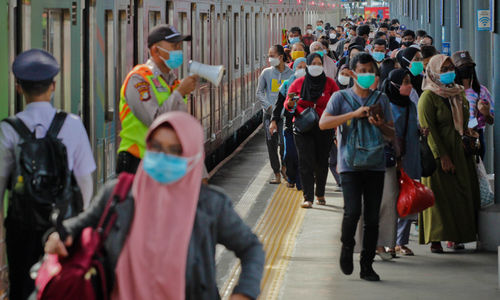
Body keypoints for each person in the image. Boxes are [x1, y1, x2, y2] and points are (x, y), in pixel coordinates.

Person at [44, 111, 265, 300]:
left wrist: (244, 292)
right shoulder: (118, 195)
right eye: (156, 147)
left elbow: (251, 248)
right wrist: (58, 237)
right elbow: (76, 226)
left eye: (175, 150)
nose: (163, 156)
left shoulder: (210, 205)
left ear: (193, 155)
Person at [0, 49, 96, 299]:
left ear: (19, 88)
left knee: (23, 288)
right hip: (64, 226)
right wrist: (77, 222)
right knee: (64, 286)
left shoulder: (8, 130)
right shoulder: (72, 124)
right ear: (53, 85)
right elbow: (85, 180)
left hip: (22, 229)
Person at [319, 52, 394, 281]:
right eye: (362, 71)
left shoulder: (381, 99)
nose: (366, 75)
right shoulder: (340, 98)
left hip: (375, 165)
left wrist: (380, 125)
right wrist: (353, 114)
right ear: (352, 73)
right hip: (349, 164)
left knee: (372, 218)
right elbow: (323, 123)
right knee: (352, 212)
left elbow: (392, 134)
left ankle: (367, 265)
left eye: (370, 71)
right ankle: (346, 246)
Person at [417, 54, 480, 253]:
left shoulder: (458, 93)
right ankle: (436, 238)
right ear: (434, 72)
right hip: (439, 154)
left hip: (460, 151)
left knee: (461, 193)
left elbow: (464, 119)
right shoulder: (428, 97)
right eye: (444, 70)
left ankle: (457, 236)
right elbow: (429, 129)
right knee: (438, 196)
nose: (449, 73)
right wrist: (441, 156)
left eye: (451, 68)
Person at [116, 25, 198, 174]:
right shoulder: (139, 79)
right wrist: (179, 93)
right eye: (174, 46)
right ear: (155, 50)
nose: (179, 51)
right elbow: (155, 121)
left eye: (180, 46)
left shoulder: (172, 82)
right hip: (137, 162)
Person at [284, 53, 339, 208]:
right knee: (305, 161)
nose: (316, 66)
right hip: (303, 127)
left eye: (319, 63)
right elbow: (290, 104)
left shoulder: (330, 84)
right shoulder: (298, 83)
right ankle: (308, 197)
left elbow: (337, 103)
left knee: (322, 162)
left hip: (324, 127)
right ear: (307, 65)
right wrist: (291, 105)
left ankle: (320, 192)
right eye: (313, 63)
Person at [382, 69, 421, 256]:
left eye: (409, 82)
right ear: (394, 85)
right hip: (393, 162)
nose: (409, 85)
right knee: (391, 202)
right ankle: (389, 242)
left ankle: (401, 242)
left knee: (409, 200)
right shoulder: (387, 106)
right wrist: (397, 160)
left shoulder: (411, 106)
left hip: (411, 159)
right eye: (405, 82)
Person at [256, 45, 294, 184]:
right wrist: (269, 106)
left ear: (280, 57)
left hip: (285, 116)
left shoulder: (291, 74)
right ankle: (276, 173)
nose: (269, 59)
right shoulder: (266, 73)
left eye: (272, 56)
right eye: (269, 56)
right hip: (269, 116)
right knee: (271, 144)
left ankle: (284, 166)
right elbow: (259, 92)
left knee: (285, 145)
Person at [271, 57, 307, 190]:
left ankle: (300, 183)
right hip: (289, 124)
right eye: (299, 67)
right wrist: (274, 120)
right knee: (289, 154)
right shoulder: (287, 84)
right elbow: (279, 104)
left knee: (301, 155)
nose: (302, 70)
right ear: (294, 69)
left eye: (304, 67)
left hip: (305, 125)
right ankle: (291, 177)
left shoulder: (309, 84)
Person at [452, 50, 494, 160]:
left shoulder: (481, 91)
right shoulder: (451, 91)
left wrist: (486, 114)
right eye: (463, 66)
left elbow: (492, 120)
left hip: (476, 137)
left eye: (469, 66)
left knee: (477, 172)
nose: (467, 69)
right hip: (456, 137)